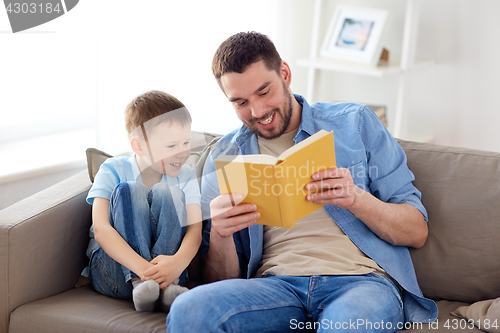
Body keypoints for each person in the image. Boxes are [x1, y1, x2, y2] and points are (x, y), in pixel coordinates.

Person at [167, 32, 438, 332]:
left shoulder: (355, 122)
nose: (258, 112)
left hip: (360, 284)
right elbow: (220, 283)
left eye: (264, 91)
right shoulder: (225, 156)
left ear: (285, 73)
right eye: (241, 102)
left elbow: (417, 232)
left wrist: (356, 199)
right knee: (188, 310)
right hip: (275, 289)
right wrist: (220, 234)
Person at [82, 90, 202, 312]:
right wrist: (146, 273)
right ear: (138, 146)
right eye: (172, 146)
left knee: (170, 193)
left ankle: (165, 290)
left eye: (186, 142)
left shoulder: (186, 175)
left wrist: (176, 265)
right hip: (116, 271)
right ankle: (143, 285)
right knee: (130, 190)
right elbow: (101, 229)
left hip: (170, 276)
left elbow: (195, 228)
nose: (183, 152)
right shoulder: (112, 169)